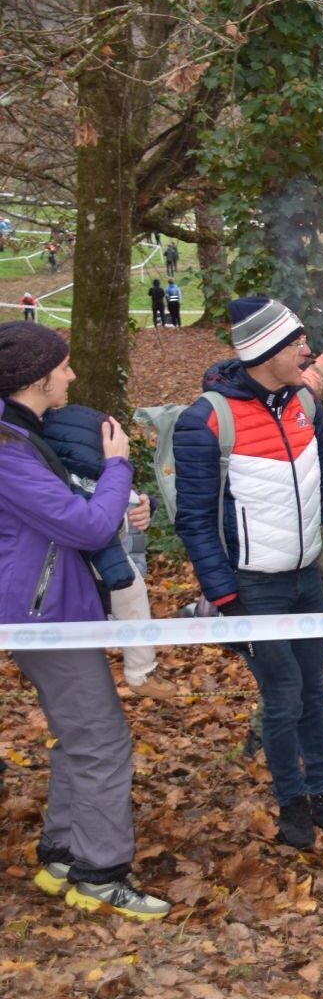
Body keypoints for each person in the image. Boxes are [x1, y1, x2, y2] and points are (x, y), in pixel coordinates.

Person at [0, 323, 172, 920]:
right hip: (45, 619)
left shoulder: (26, 439)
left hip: (57, 612)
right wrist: (119, 468)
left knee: (81, 738)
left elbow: (79, 515)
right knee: (102, 743)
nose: (72, 376)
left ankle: (63, 857)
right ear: (36, 377)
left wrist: (127, 505)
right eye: (64, 367)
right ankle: (99, 874)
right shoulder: (9, 451)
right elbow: (86, 528)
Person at [173, 298, 323, 849]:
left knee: (315, 691)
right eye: (297, 342)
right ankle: (291, 799)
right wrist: (226, 598)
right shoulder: (205, 420)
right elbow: (194, 519)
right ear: (266, 351)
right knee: (285, 693)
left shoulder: (306, 404)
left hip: (305, 577)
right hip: (253, 587)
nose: (307, 351)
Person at [38, 404, 173, 699]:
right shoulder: (61, 481)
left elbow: (127, 497)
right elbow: (91, 524)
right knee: (131, 590)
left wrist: (145, 506)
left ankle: (139, 666)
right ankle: (140, 669)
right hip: (63, 577)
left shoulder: (95, 476)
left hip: (105, 570)